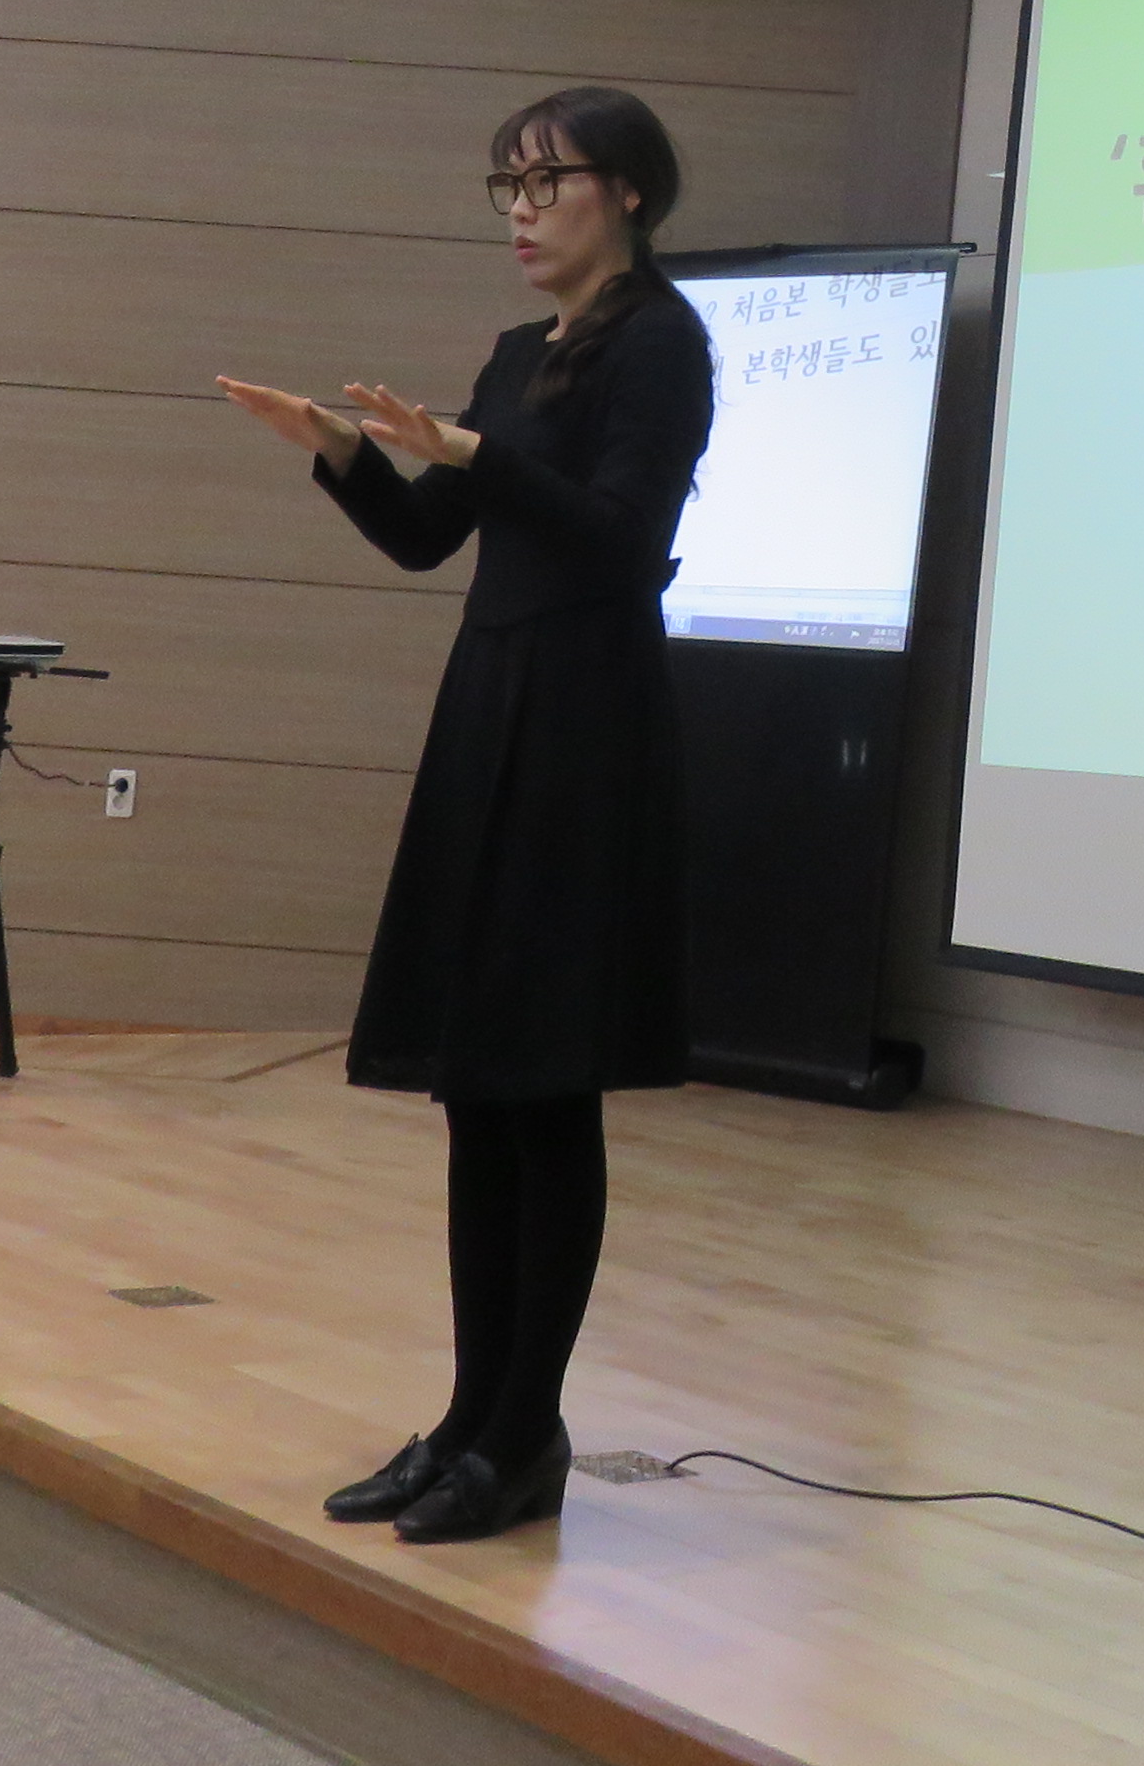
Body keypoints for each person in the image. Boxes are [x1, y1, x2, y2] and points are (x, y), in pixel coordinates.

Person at [213, 84, 713, 1547]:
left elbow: (621, 536)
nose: (521, 211)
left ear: (628, 192)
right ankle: (465, 1421)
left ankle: (523, 1433)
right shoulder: (515, 353)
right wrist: (343, 452)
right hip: (492, 705)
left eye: (547, 182)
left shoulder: (662, 343)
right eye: (506, 186)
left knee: (546, 1083)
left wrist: (482, 457)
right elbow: (431, 542)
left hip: (588, 722)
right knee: (477, 1083)